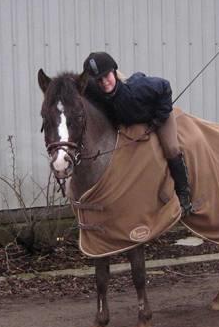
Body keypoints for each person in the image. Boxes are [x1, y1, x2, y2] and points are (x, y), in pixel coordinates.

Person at [82, 51, 195, 217]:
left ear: (113, 71)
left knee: (171, 149)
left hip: (157, 114)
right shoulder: (97, 93)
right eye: (99, 80)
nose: (105, 82)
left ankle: (184, 196)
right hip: (132, 121)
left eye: (107, 76)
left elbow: (165, 86)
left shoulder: (137, 89)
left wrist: (159, 119)